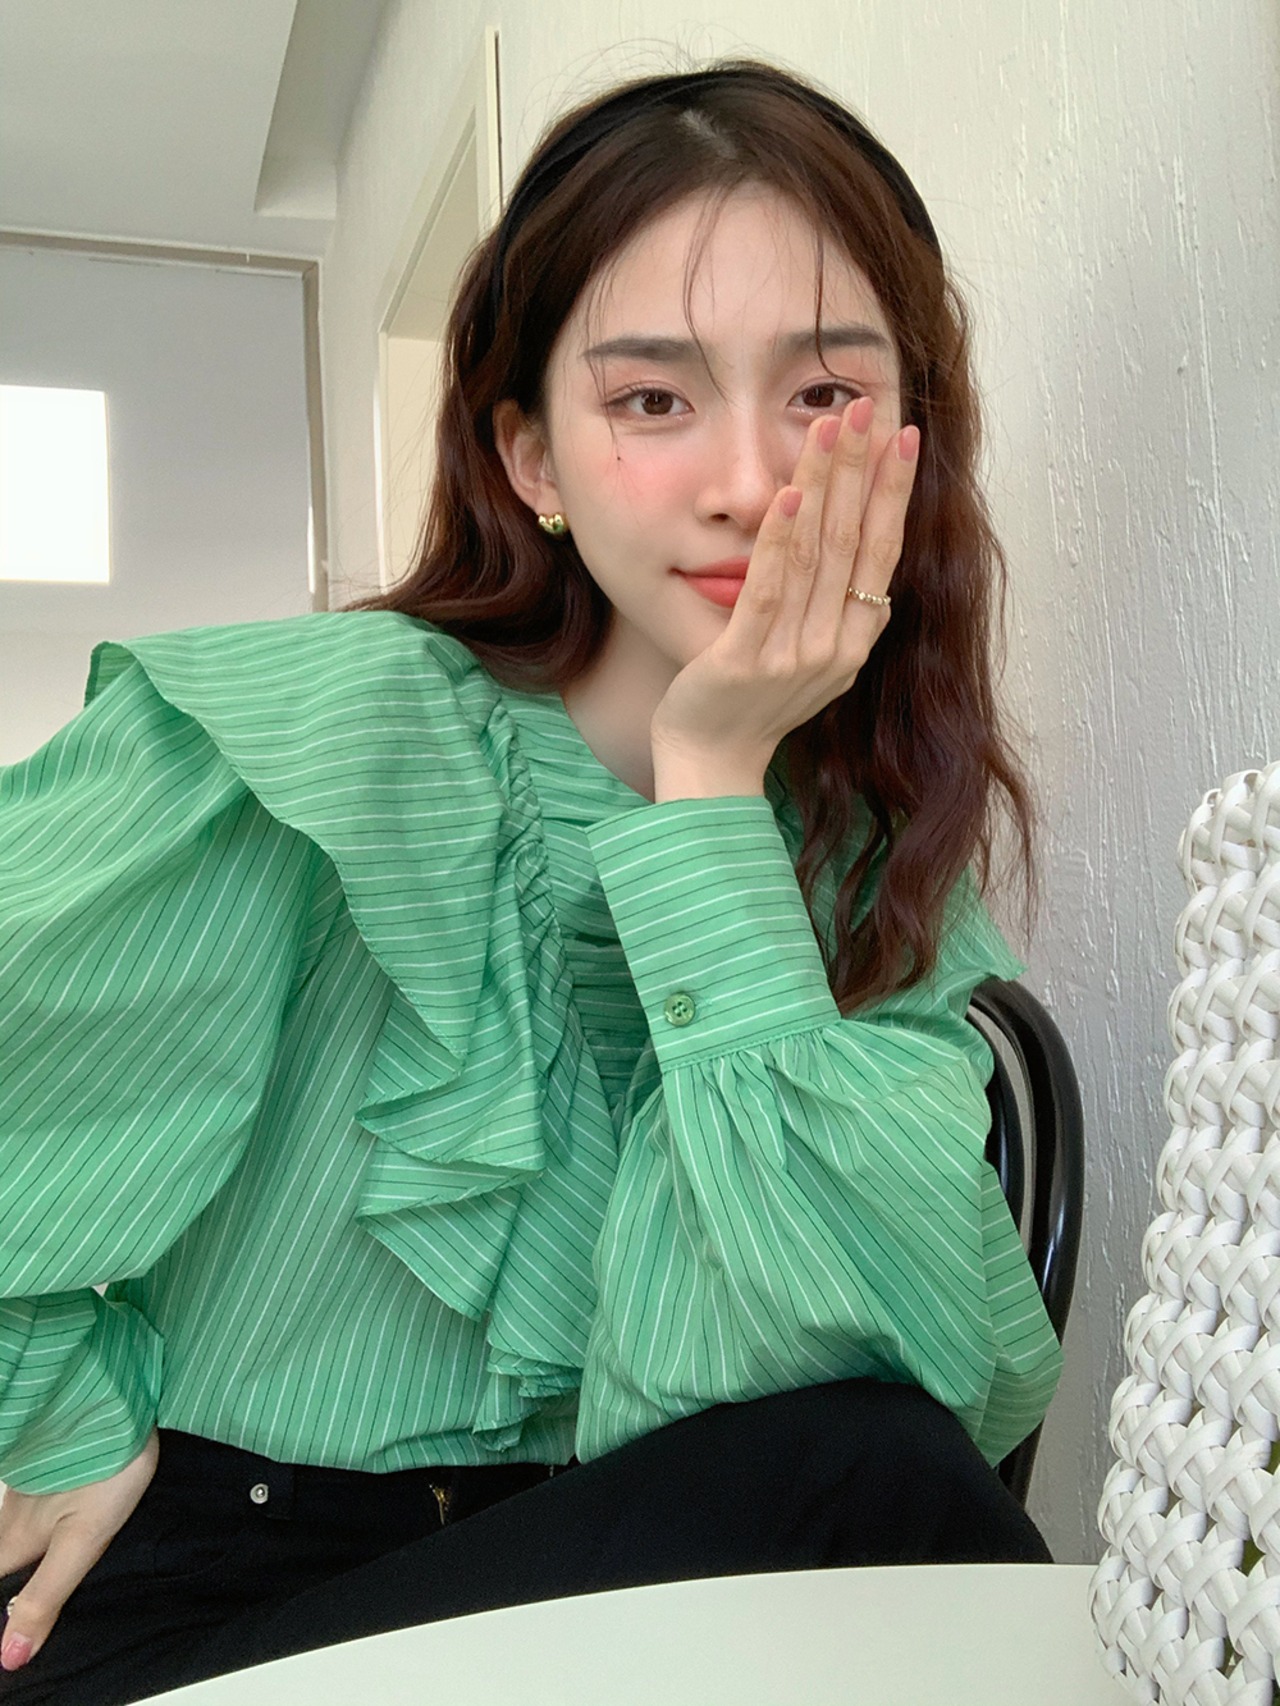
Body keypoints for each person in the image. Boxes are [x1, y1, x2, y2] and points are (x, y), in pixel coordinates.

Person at [0, 60, 1063, 1705]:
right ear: (531, 460)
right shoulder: (331, 733)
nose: (748, 479)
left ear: (911, 443)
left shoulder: (867, 855)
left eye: (822, 394)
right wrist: (57, 1408)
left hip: (581, 1592)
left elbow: (879, 1381)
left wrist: (713, 790)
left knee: (877, 1460)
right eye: (652, 401)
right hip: (209, 1604)